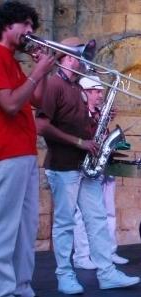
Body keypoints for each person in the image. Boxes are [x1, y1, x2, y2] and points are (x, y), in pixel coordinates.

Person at [36, 36, 140, 295]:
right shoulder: (54, 84)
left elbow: (84, 129)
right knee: (64, 223)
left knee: (96, 220)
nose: (84, 62)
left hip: (85, 167)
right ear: (68, 57)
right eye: (79, 56)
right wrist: (79, 142)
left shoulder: (75, 88)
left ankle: (107, 273)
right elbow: (41, 126)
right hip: (63, 166)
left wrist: (100, 121)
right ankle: (64, 275)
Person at [0, 1, 54, 297]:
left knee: (25, 230)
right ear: (7, 25)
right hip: (6, 153)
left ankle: (21, 287)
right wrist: (37, 71)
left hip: (24, 152)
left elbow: (38, 101)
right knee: (3, 230)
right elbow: (9, 104)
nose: (30, 31)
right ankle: (2, 292)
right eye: (26, 25)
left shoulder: (12, 61)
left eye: (33, 26)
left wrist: (39, 71)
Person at [73, 76, 129, 270]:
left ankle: (109, 251)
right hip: (86, 167)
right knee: (82, 215)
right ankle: (82, 255)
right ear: (85, 92)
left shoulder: (98, 112)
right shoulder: (79, 112)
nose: (100, 95)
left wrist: (106, 119)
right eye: (96, 92)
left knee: (108, 210)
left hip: (104, 165)